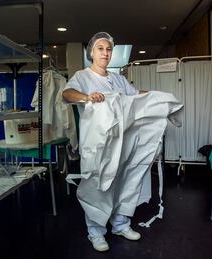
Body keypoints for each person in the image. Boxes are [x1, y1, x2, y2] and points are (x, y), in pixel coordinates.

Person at [62, 32, 145, 252]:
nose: (105, 53)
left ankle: (120, 224)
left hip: (121, 143)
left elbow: (136, 96)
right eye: (100, 48)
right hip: (96, 144)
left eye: (108, 49)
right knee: (96, 185)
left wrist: (159, 98)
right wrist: (86, 97)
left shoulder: (118, 79)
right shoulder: (83, 76)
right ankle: (96, 232)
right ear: (91, 52)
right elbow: (66, 94)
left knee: (121, 183)